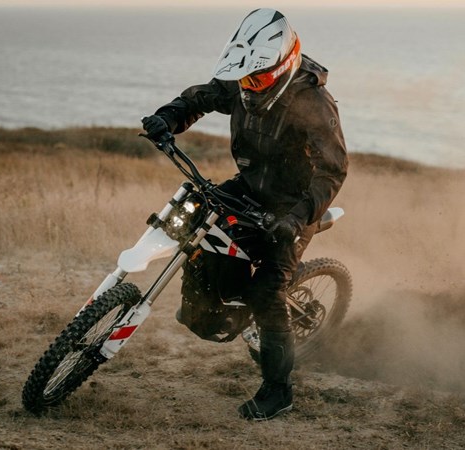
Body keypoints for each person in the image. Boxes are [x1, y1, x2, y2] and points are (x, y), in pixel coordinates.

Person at [141, 8, 348, 421]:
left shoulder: (313, 103)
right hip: (249, 186)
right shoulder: (244, 81)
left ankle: (278, 391)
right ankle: (208, 307)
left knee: (266, 293)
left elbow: (332, 171)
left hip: (293, 206)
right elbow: (198, 98)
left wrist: (296, 218)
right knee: (197, 227)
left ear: (283, 66)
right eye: (244, 78)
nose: (247, 86)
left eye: (256, 79)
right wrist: (168, 117)